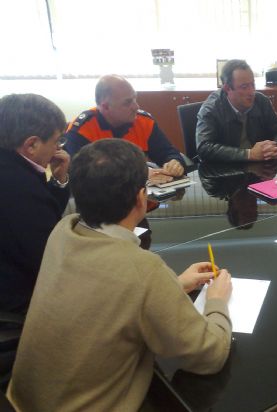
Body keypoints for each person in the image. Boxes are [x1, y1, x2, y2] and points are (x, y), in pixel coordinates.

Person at [8, 139, 233, 411]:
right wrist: (217, 301)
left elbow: (105, 291)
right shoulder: (142, 269)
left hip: (23, 400)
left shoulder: (63, 232)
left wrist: (174, 285)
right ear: (141, 198)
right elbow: (209, 356)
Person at [0, 93, 70, 314]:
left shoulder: (13, 170)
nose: (58, 149)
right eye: (57, 141)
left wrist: (58, 181)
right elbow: (51, 261)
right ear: (32, 145)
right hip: (18, 303)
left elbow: (41, 211)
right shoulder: (18, 187)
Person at [64, 74, 186, 184]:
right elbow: (82, 177)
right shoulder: (81, 130)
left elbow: (167, 152)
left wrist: (174, 162)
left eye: (134, 99)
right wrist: (140, 174)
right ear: (105, 107)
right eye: (127, 102)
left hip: (144, 201)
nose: (136, 106)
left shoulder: (143, 122)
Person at [196, 59, 277, 162]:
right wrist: (249, 154)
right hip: (223, 171)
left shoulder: (261, 101)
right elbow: (204, 147)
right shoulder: (210, 109)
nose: (251, 92)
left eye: (253, 85)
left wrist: (276, 147)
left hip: (258, 168)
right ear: (227, 89)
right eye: (244, 87)